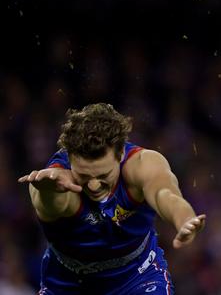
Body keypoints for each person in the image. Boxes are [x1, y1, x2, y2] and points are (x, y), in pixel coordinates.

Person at [18, 103, 206, 294]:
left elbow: (164, 194)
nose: (93, 186)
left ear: (121, 153)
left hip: (138, 278)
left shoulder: (142, 165)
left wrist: (184, 219)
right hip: (67, 286)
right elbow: (48, 203)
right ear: (71, 157)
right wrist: (46, 189)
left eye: (103, 175)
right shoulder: (56, 183)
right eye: (83, 176)